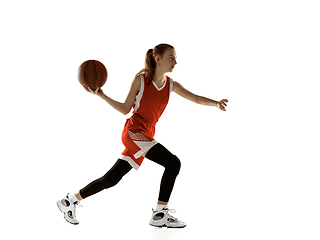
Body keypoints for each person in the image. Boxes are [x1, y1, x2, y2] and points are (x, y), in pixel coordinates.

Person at [57, 43, 228, 228]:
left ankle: (69, 201)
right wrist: (102, 95)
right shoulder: (141, 80)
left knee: (111, 179)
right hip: (133, 133)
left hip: (145, 134)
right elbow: (124, 109)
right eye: (172, 57)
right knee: (173, 163)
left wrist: (216, 103)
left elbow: (195, 99)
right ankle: (160, 213)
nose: (175, 62)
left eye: (175, 58)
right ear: (158, 58)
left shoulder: (171, 85)